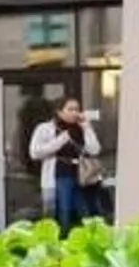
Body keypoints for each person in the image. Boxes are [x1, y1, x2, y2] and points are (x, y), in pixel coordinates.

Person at [27, 94, 100, 232]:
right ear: (59, 111)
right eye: (70, 109)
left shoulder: (81, 128)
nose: (75, 113)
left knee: (83, 213)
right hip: (59, 175)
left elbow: (94, 150)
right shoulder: (45, 128)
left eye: (77, 109)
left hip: (82, 176)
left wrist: (87, 128)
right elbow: (35, 153)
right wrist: (61, 139)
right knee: (62, 212)